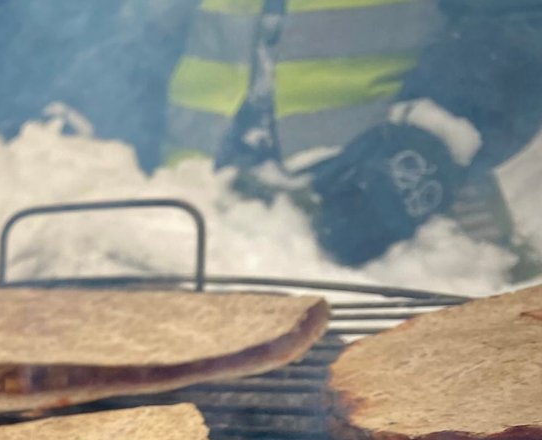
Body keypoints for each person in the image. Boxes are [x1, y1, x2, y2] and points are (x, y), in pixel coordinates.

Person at [157, 0, 542, 268]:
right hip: (191, 220)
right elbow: (131, 35)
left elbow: (520, 20)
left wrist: (432, 140)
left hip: (399, 231)